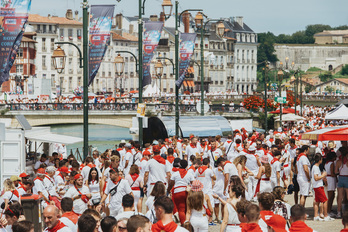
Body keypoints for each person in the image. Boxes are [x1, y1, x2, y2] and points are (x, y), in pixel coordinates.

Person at [167, 159, 194, 224]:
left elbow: (171, 183)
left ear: (179, 165)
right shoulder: (189, 174)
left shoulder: (175, 174)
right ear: (186, 166)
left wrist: (168, 190)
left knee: (181, 209)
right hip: (186, 191)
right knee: (187, 209)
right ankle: (188, 223)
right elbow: (193, 183)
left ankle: (183, 224)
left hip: (177, 192)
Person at [311, 154, 333, 221]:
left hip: (316, 186)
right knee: (325, 200)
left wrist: (322, 177)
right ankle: (326, 215)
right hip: (318, 186)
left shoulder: (315, 167)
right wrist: (323, 175)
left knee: (317, 201)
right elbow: (316, 178)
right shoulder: (316, 167)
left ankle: (316, 216)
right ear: (320, 160)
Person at [335, 146, 348, 218]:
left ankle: (339, 212)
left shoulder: (338, 162)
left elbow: (335, 171)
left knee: (340, 197)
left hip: (340, 178)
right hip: (347, 178)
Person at [325, 151, 337, 217]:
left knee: (330, 195)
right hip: (331, 179)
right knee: (330, 196)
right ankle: (328, 210)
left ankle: (329, 210)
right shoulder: (331, 163)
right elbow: (332, 173)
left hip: (328, 178)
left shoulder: (326, 163)